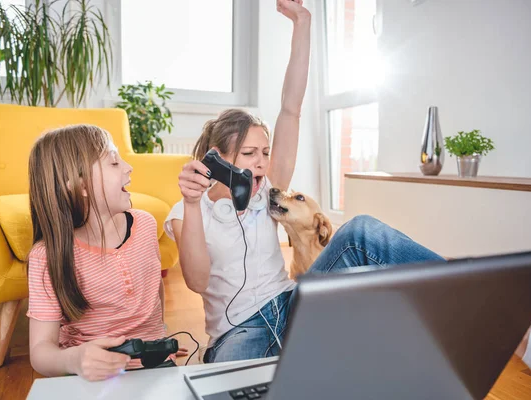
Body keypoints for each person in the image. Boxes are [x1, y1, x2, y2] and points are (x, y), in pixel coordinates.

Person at [164, 0, 444, 364]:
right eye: (249, 154)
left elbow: (291, 108)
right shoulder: (186, 211)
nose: (262, 163)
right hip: (240, 330)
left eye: (265, 152)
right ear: (219, 157)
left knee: (359, 230)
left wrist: (303, 22)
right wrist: (190, 203)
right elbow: (197, 283)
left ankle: (472, 292)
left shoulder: (267, 189)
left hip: (294, 303)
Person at [27, 124, 186, 381]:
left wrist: (158, 340)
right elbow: (40, 352)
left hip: (153, 364)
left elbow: (153, 289)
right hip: (90, 374)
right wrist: (75, 360)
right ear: (81, 186)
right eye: (114, 163)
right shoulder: (46, 256)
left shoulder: (144, 225)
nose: (128, 166)